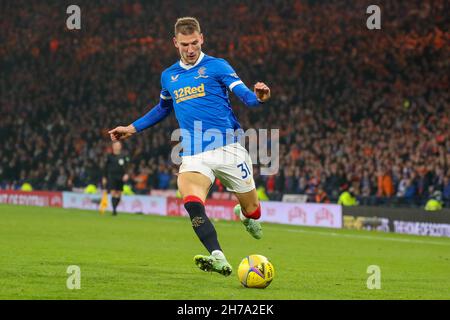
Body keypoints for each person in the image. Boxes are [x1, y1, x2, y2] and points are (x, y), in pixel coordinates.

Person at [108, 17, 271, 276]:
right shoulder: (169, 76)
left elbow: (246, 97)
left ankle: (245, 214)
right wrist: (132, 127)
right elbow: (163, 108)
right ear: (176, 43)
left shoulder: (217, 66)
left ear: (202, 38)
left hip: (229, 148)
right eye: (185, 44)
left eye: (194, 43)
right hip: (195, 153)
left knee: (254, 210)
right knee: (192, 202)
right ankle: (218, 256)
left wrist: (259, 97)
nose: (191, 49)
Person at [102, 141, 130, 215]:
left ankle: (115, 208)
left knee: (119, 193)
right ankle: (114, 210)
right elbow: (105, 167)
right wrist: (104, 177)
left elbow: (127, 166)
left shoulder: (124, 156)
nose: (117, 147)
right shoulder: (109, 156)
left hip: (121, 176)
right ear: (113, 147)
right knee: (113, 192)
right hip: (112, 176)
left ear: (120, 147)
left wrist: (126, 174)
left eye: (118, 145)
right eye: (115, 145)